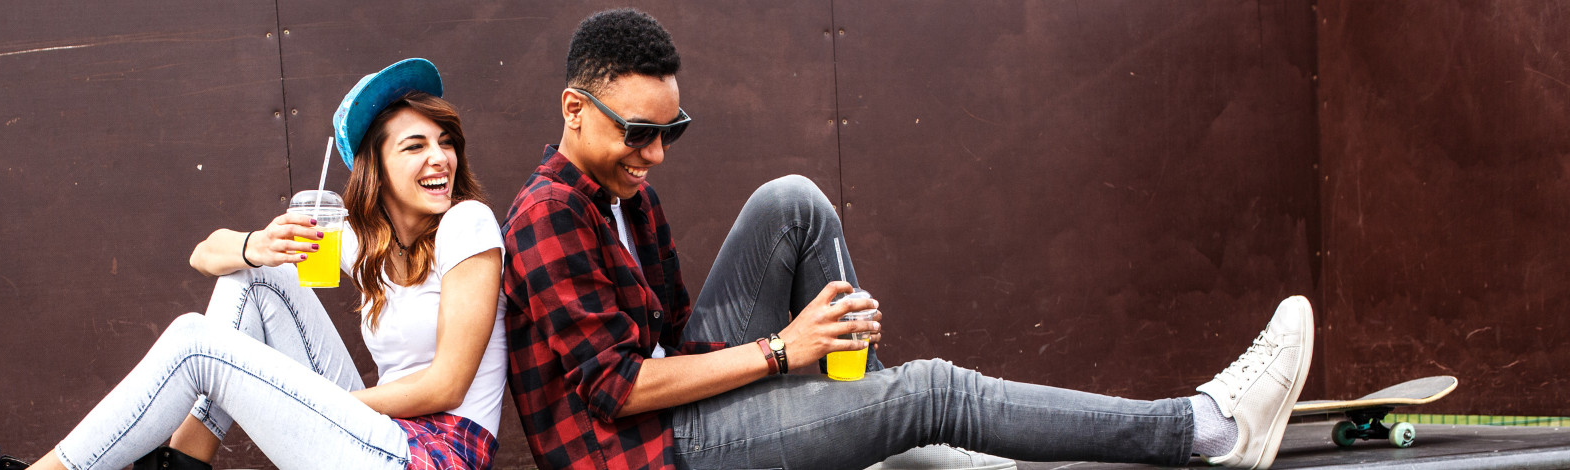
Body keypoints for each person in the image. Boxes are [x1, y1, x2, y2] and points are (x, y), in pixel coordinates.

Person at [499, 9, 1314, 470]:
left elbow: (674, 341)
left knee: (794, 202)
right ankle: (1204, 431)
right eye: (639, 132)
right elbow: (621, 389)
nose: (655, 154)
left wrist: (819, 357)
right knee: (931, 392)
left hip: (675, 409)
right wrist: (784, 350)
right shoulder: (548, 215)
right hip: (642, 454)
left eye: (670, 130)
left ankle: (880, 434)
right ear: (574, 110)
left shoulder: (623, 193)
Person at [0, 58, 510, 470]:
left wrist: (325, 405)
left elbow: (447, 387)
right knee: (260, 276)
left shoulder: (467, 223)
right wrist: (256, 243)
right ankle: (184, 460)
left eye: (445, 142)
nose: (439, 158)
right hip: (383, 437)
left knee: (194, 340)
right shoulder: (367, 242)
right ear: (377, 170)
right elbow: (204, 254)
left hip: (433, 455)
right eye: (414, 146)